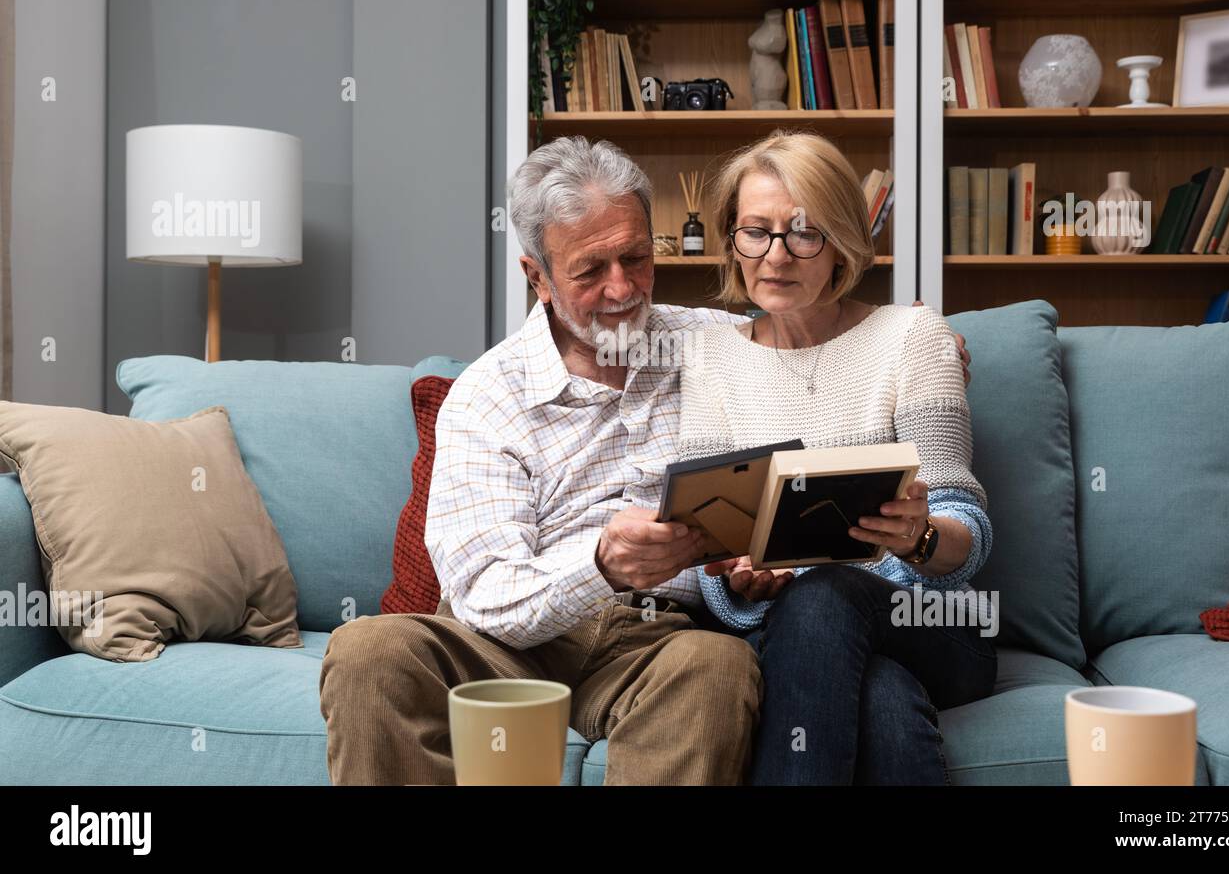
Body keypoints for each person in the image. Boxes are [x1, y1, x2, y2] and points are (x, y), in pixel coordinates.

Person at [317, 135, 973, 785]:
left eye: (636, 258)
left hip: (660, 642)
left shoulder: (711, 343)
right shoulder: (487, 397)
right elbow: (486, 595)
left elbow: (805, 327)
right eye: (590, 270)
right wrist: (600, 565)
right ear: (536, 276)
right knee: (367, 649)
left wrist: (927, 346)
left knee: (720, 669)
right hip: (507, 644)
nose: (623, 289)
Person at [679, 130, 997, 785]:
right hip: (794, 637)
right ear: (730, 240)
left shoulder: (914, 336)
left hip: (933, 618)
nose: (775, 255)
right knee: (880, 698)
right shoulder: (709, 359)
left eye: (803, 232)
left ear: (843, 242)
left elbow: (966, 530)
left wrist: (921, 536)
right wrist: (738, 580)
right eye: (754, 232)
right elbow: (708, 553)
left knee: (823, 590)